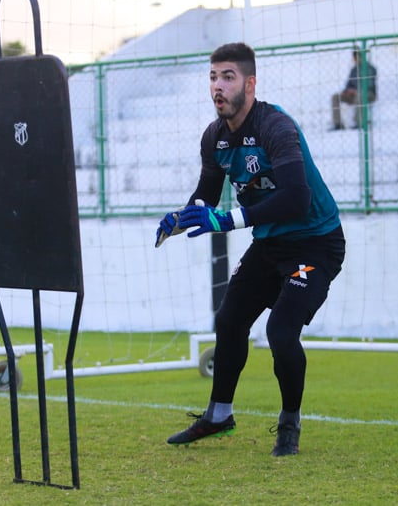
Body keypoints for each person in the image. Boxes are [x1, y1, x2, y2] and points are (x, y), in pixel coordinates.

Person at [155, 42, 345, 457]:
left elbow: (296, 198)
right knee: (229, 320)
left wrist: (228, 219)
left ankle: (289, 424)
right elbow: (206, 196)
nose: (218, 87)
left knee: (280, 331)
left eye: (228, 77)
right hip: (270, 243)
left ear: (250, 83)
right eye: (212, 77)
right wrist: (181, 217)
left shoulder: (276, 127)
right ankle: (219, 415)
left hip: (316, 243)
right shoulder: (214, 137)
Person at [331, 49, 377, 130]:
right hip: (353, 95)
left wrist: (356, 91)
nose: (355, 60)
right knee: (335, 97)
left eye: (356, 57)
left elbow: (369, 85)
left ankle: (359, 122)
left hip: (368, 94)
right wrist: (345, 92)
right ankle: (338, 123)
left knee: (359, 95)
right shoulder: (353, 70)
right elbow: (348, 84)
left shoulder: (370, 69)